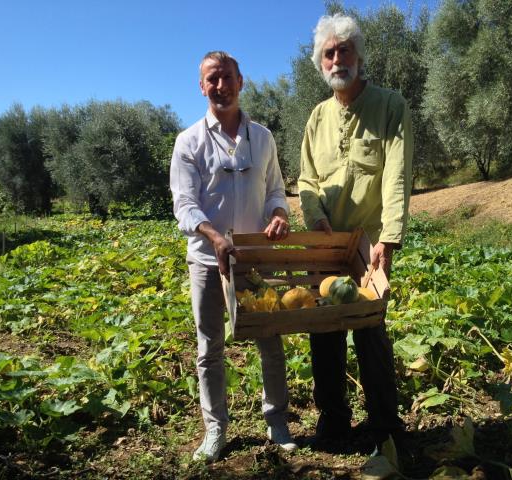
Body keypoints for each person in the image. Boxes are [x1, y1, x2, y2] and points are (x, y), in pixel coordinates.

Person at [298, 13, 413, 473]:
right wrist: (316, 219)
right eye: (329, 52)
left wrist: (389, 236)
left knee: (370, 328)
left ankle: (384, 423)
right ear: (320, 62)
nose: (337, 58)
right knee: (324, 329)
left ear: (359, 56)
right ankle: (334, 419)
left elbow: (397, 174)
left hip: (369, 244)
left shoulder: (390, 106)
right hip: (327, 245)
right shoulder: (316, 117)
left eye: (344, 49)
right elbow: (306, 178)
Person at [170, 51, 297, 463]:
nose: (220, 86)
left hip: (257, 259)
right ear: (201, 86)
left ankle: (277, 421)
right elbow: (184, 205)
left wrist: (278, 213)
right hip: (208, 262)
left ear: (241, 83)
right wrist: (214, 237)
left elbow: (277, 189)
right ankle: (215, 429)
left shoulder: (262, 137)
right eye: (212, 79)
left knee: (269, 339)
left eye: (227, 78)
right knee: (209, 347)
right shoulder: (188, 142)